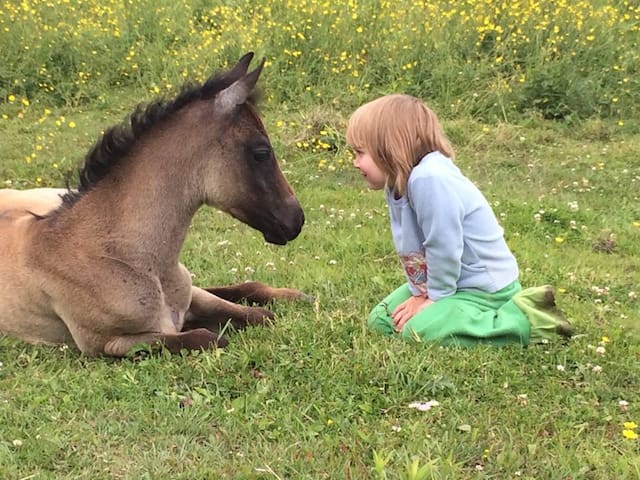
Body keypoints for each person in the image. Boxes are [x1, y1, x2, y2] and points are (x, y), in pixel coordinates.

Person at [347, 94, 573, 346]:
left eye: (359, 152)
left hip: (485, 290)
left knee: (416, 330)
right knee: (380, 319)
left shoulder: (430, 178)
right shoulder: (397, 184)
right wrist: (418, 295)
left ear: (388, 147)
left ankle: (523, 321)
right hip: (449, 285)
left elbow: (444, 247)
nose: (355, 163)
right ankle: (449, 316)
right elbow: (415, 252)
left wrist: (433, 299)